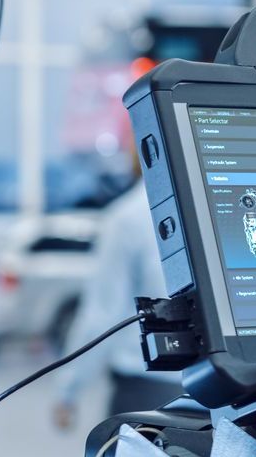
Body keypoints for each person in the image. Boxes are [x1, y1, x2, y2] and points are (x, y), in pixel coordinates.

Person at [53, 178, 182, 427]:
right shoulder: (218, 202)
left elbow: (102, 313)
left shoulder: (128, 217)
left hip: (147, 392)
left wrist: (69, 389)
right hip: (226, 392)